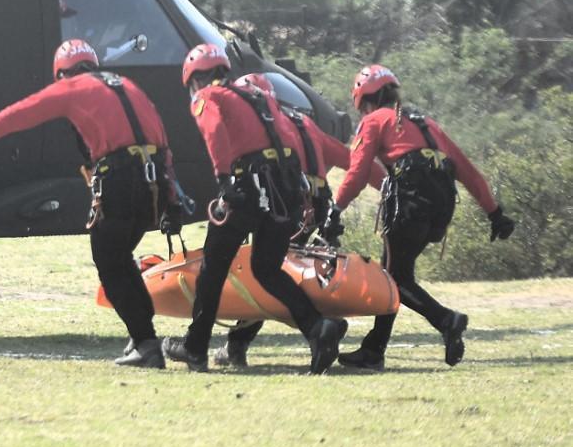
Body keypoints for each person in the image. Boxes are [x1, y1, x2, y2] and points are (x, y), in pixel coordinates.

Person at [0, 38, 183, 368]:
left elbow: (21, 113)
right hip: (153, 184)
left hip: (120, 181)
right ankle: (143, 338)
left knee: (109, 262)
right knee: (119, 258)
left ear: (62, 74)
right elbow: (162, 142)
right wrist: (172, 199)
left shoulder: (71, 88)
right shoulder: (127, 85)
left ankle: (145, 343)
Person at [161, 44, 348, 374]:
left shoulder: (208, 96)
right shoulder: (261, 100)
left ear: (195, 79)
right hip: (286, 190)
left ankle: (195, 347)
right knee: (266, 268)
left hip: (249, 186)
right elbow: (293, 141)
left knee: (213, 267)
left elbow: (214, 130)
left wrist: (223, 180)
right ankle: (318, 328)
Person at [326, 64, 516, 370]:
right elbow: (467, 171)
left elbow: (358, 171)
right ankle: (374, 350)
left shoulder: (374, 121)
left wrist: (335, 208)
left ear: (364, 99)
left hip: (410, 202)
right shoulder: (426, 123)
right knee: (395, 273)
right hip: (441, 206)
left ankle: (446, 320)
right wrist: (495, 213)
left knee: (393, 279)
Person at [213, 71, 357, 369]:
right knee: (273, 271)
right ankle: (243, 343)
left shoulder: (272, 126)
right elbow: (352, 161)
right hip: (312, 206)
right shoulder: (304, 123)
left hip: (287, 204)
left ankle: (317, 326)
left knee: (266, 272)